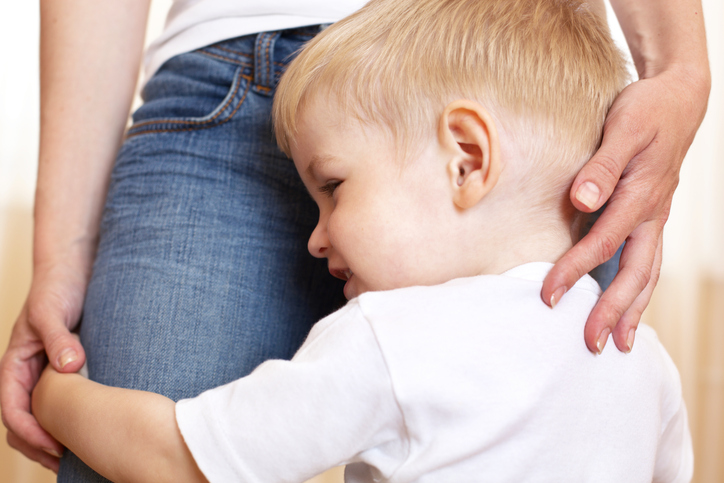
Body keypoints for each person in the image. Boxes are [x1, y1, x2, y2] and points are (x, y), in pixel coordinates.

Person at [0, 0, 709, 479]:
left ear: (466, 159)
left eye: (332, 188)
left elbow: (179, 461)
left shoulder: (391, 341)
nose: (315, 239)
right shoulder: (645, 365)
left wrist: (56, 396)